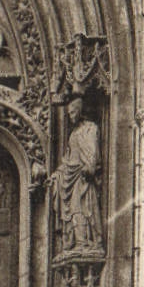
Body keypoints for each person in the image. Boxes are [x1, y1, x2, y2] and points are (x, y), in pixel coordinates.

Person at [51, 96, 103, 252]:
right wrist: (58, 173)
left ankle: (86, 242)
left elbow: (92, 153)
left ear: (80, 111)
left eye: (73, 112)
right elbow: (68, 159)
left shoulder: (90, 128)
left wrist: (89, 167)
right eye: (69, 113)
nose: (70, 115)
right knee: (73, 210)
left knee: (81, 208)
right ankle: (76, 241)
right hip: (70, 177)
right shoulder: (73, 134)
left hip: (82, 177)